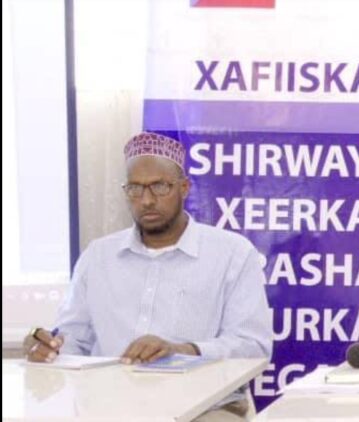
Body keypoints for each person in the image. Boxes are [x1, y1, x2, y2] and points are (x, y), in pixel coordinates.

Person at [23, 132, 273, 419]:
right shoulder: (98, 256)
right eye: (135, 189)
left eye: (159, 187)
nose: (147, 200)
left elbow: (254, 346)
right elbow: (74, 339)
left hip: (206, 409)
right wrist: (49, 349)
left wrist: (183, 350)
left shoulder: (232, 254)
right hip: (110, 406)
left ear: (184, 188)